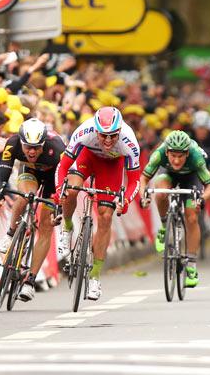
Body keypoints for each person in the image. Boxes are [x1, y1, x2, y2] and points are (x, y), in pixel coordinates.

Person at [55, 106, 141, 300]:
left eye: (113, 136)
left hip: (111, 167)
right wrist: (60, 188)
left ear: (119, 131)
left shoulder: (129, 141)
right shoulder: (84, 132)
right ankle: (67, 228)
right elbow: (63, 166)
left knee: (105, 215)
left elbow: (135, 180)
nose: (108, 141)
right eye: (103, 136)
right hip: (87, 157)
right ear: (96, 131)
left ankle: (94, 278)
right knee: (71, 190)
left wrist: (126, 200)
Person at [0, 119, 65, 302]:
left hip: (53, 178)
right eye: (27, 147)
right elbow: (4, 171)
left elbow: (64, 182)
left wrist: (59, 207)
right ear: (21, 142)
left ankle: (30, 281)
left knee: (46, 227)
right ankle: (10, 234)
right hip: (30, 173)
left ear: (43, 144)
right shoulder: (13, 143)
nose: (31, 152)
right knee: (25, 195)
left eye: (36, 147)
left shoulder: (56, 149)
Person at [139, 130, 210, 287]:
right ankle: (163, 228)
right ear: (167, 151)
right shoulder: (158, 154)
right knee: (160, 193)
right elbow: (143, 178)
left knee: (192, 217)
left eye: (180, 156)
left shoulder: (196, 157)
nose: (176, 160)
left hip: (191, 178)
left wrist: (202, 199)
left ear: (187, 153)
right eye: (173, 155)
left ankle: (191, 266)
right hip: (167, 175)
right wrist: (143, 196)